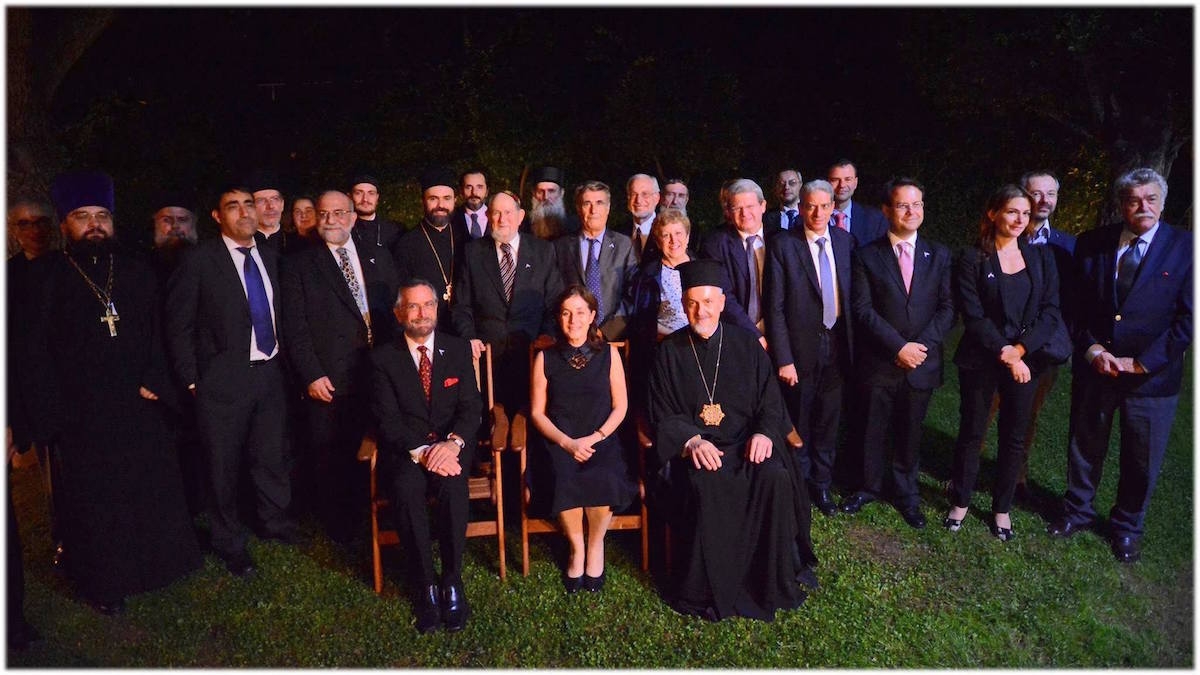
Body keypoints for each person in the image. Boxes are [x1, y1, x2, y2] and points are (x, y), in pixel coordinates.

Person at [24, 171, 201, 613]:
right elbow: (33, 351)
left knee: (149, 487)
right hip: (82, 413)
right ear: (65, 224)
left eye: (102, 215)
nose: (95, 225)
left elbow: (165, 330)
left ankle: (162, 566)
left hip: (138, 404)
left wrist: (159, 380)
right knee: (96, 503)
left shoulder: (138, 269)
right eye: (83, 217)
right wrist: (51, 411)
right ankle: (104, 582)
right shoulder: (44, 277)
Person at [647, 258, 808, 622]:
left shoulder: (747, 346)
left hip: (747, 442)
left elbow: (771, 401)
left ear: (721, 302)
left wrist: (766, 434)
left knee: (775, 476)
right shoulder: (668, 352)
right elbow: (662, 412)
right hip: (699, 451)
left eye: (707, 302)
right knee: (707, 483)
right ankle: (705, 586)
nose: (700, 311)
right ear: (683, 304)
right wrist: (690, 441)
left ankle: (767, 579)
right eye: (692, 303)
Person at [1049, 168, 1192, 564]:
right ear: (1121, 204)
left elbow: (1188, 320)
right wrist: (1092, 350)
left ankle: (1127, 528)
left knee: (1141, 458)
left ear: (1162, 202)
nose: (1141, 207)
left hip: (1152, 380)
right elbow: (1074, 307)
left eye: (1150, 199)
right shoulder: (1092, 244)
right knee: (1084, 445)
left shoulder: (1187, 247)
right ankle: (1077, 511)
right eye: (1133, 200)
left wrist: (1144, 363)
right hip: (1099, 369)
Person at [166, 183, 300, 578]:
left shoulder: (271, 257)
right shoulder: (199, 261)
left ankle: (273, 522)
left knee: (270, 455)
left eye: (248, 205)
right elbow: (178, 324)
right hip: (222, 381)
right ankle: (229, 542)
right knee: (221, 465)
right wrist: (192, 379)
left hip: (270, 373)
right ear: (217, 216)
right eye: (233, 206)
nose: (244, 212)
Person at [280, 189, 399, 543]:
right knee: (334, 453)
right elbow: (294, 327)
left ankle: (384, 513)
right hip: (330, 376)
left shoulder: (377, 255)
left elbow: (394, 310)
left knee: (381, 443)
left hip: (377, 370)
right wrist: (311, 373)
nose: (330, 220)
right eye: (324, 214)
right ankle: (343, 528)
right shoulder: (300, 264)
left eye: (338, 213)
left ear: (351, 216)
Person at [949, 184, 1063, 539]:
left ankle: (1001, 509)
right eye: (1013, 211)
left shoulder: (1041, 258)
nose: (1019, 219)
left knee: (1014, 438)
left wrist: (1021, 352)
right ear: (993, 213)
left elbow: (1050, 312)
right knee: (972, 432)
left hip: (1026, 361)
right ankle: (960, 503)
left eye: (1025, 214)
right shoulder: (972, 258)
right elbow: (974, 315)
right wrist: (1005, 353)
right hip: (981, 359)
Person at [370, 280, 482, 633]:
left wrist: (453, 445)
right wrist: (423, 451)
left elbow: (471, 407)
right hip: (407, 451)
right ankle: (424, 585)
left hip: (452, 449)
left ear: (437, 308)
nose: (421, 314)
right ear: (399, 313)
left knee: (453, 488)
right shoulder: (382, 359)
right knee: (405, 490)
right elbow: (386, 419)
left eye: (428, 305)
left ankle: (451, 579)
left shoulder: (458, 349)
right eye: (413, 307)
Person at [848, 177, 955, 529]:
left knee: (910, 431)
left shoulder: (939, 255)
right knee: (872, 427)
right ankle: (868, 486)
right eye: (902, 204)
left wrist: (918, 349)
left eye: (917, 204)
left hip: (921, 363)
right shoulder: (866, 254)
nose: (911, 211)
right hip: (882, 360)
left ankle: (907, 494)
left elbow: (947, 309)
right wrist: (898, 346)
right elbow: (862, 309)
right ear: (886, 210)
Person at [528, 285, 636, 593]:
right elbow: (537, 413)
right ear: (558, 319)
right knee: (563, 474)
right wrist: (567, 443)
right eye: (565, 313)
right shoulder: (545, 358)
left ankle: (595, 544)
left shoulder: (609, 355)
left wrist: (597, 436)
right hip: (559, 439)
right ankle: (576, 546)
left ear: (591, 316)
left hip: (601, 438)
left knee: (604, 474)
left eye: (579, 312)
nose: (573, 320)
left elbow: (621, 406)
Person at [765, 179, 855, 520]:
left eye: (824, 205)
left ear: (833, 207)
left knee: (828, 418)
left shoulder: (846, 242)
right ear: (801, 208)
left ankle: (821, 483)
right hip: (799, 348)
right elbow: (775, 307)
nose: (817, 213)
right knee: (799, 417)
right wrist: (784, 358)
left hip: (837, 345)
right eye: (810, 206)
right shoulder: (783, 245)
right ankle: (797, 485)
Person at [452, 190, 563, 413]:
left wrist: (547, 335)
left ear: (521, 216)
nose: (502, 219)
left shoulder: (543, 251)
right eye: (496, 213)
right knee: (491, 421)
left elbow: (555, 303)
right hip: (488, 358)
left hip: (532, 355)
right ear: (488, 216)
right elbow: (461, 305)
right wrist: (469, 336)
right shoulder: (473, 253)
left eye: (508, 213)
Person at [626, 208, 696, 400]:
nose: (673, 241)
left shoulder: (703, 269)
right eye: (666, 235)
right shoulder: (647, 275)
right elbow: (641, 320)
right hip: (662, 350)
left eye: (678, 233)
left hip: (700, 348)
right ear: (658, 242)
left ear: (688, 236)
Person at [553, 180, 638, 340]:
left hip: (612, 339)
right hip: (570, 336)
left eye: (599, 203)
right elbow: (554, 293)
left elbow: (632, 294)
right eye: (587, 203)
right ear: (579, 208)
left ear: (608, 208)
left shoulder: (624, 245)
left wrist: (607, 331)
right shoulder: (561, 246)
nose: (593, 210)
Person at [699, 178, 777, 345]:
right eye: (737, 208)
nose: (744, 213)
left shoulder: (781, 239)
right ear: (728, 212)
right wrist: (754, 335)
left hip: (779, 334)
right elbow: (722, 295)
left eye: (750, 206)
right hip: (735, 335)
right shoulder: (714, 243)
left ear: (763, 206)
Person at [395, 168, 470, 334]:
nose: (441, 205)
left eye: (447, 198)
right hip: (424, 331)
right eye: (433, 199)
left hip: (463, 333)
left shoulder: (467, 240)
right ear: (423, 201)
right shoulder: (407, 244)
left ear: (455, 200)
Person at [827, 159, 889, 246]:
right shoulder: (814, 218)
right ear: (827, 183)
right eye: (835, 180)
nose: (842, 185)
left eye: (848, 179)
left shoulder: (875, 219)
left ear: (855, 183)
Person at [349, 173, 404, 264]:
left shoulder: (396, 230)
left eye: (371, 193)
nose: (365, 199)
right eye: (359, 193)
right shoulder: (343, 232)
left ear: (377, 197)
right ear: (350, 196)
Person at [523, 165, 581, 240]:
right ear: (533, 193)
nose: (546, 197)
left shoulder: (576, 227)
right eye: (540, 191)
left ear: (561, 193)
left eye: (551, 191)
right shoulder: (523, 229)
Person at [614, 173, 661, 262]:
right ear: (628, 198)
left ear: (656, 198)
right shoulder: (617, 234)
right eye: (633, 194)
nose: (638, 200)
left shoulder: (668, 232)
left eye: (645, 194)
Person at [452, 168, 490, 239]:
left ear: (487, 192)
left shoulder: (499, 216)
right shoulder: (451, 218)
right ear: (461, 191)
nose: (474, 192)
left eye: (479, 187)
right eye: (468, 187)